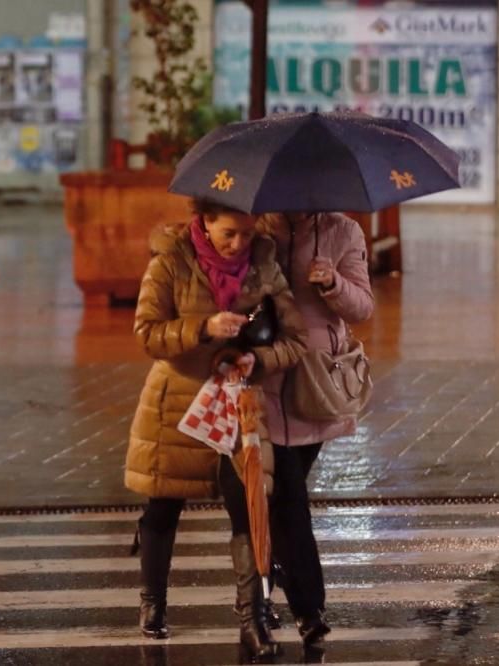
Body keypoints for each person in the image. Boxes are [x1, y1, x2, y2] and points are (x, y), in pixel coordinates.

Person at [124, 199, 307, 657]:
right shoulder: (170, 261)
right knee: (163, 505)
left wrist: (257, 359)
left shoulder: (264, 262)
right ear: (204, 222)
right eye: (229, 233)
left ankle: (253, 618)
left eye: (247, 233)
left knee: (249, 508)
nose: (239, 243)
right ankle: (153, 604)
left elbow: (295, 340)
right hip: (178, 403)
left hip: (239, 405)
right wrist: (202, 327)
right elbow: (147, 332)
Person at [256, 211, 375, 647]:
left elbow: (363, 306)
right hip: (263, 378)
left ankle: (265, 586)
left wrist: (332, 284)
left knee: (280, 498)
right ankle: (308, 608)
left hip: (316, 386)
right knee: (287, 495)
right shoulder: (256, 229)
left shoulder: (343, 231)